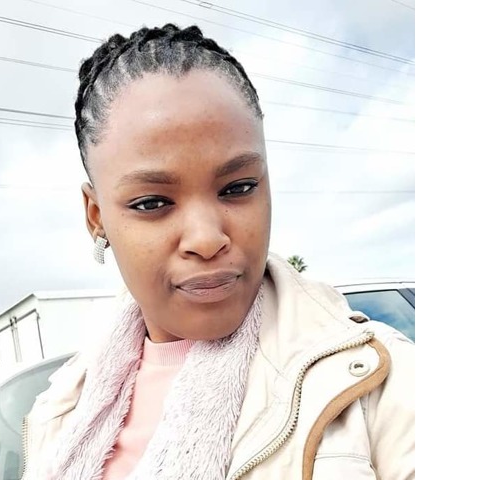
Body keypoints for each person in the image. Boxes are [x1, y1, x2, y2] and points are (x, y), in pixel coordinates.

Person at [22, 23, 415, 480]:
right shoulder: (59, 413)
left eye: (238, 187)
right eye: (152, 203)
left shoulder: (380, 388)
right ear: (96, 216)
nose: (207, 239)